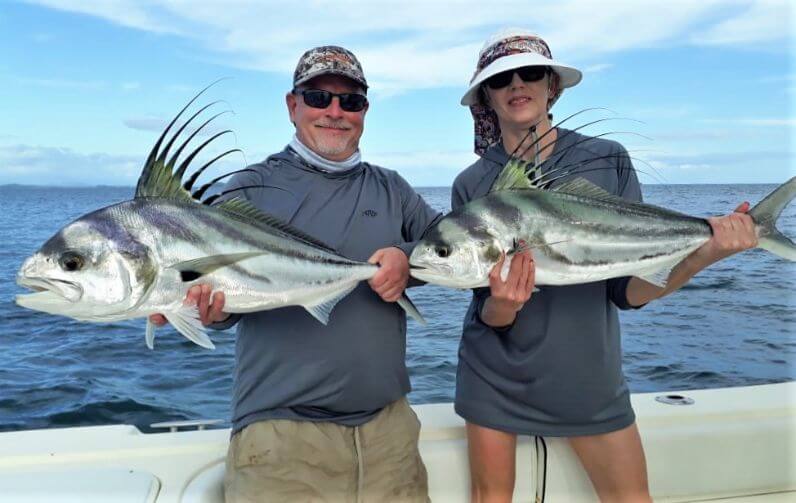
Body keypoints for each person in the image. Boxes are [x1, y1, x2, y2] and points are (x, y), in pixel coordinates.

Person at [452, 29, 758, 503]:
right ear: (486, 97)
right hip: (493, 378)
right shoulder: (471, 182)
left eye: (530, 72)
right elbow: (486, 315)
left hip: (588, 374)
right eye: (501, 79)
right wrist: (503, 305)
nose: (517, 85)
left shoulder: (606, 158)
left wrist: (706, 252)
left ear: (551, 84)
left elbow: (628, 292)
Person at [152, 45, 440, 502]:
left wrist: (406, 260)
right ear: (292, 105)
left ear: (365, 110)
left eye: (350, 101)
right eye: (317, 97)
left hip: (390, 434)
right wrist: (204, 306)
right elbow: (225, 301)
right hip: (281, 438)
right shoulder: (250, 188)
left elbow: (446, 250)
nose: (334, 112)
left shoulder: (393, 188)